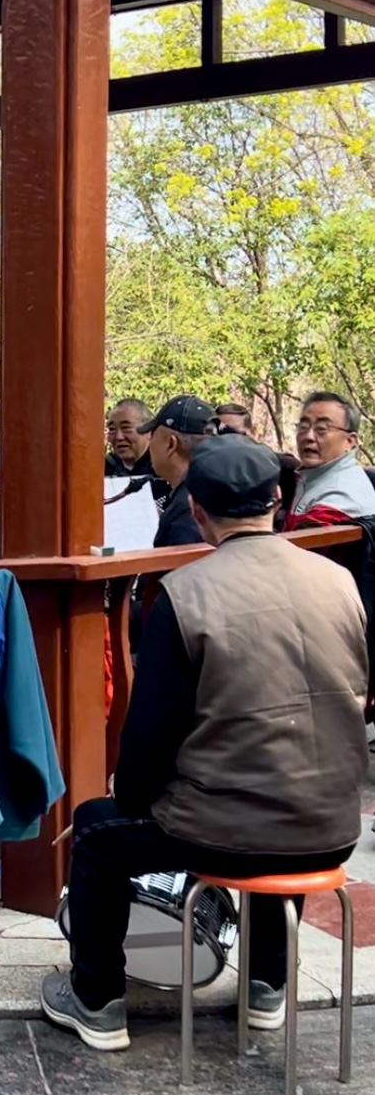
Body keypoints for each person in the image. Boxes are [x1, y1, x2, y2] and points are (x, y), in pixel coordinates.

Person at [41, 435, 368, 1051]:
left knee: (98, 831)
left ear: (196, 510)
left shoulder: (185, 593)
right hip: (333, 824)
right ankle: (267, 985)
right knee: (280, 796)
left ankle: (97, 1001)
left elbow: (150, 733)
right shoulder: (340, 582)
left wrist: (128, 794)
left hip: (225, 833)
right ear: (278, 500)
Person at [286, 392, 375, 530]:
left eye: (322, 429)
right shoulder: (309, 478)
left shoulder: (341, 498)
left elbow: (300, 542)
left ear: (349, 441)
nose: (308, 436)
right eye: (303, 426)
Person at [141, 394, 217, 546]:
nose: (149, 444)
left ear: (171, 444)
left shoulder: (186, 511)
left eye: (152, 435)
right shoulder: (220, 492)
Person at [105, 399, 154, 478]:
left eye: (126, 427)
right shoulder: (103, 468)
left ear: (148, 430)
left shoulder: (163, 467)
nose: (118, 437)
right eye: (112, 429)